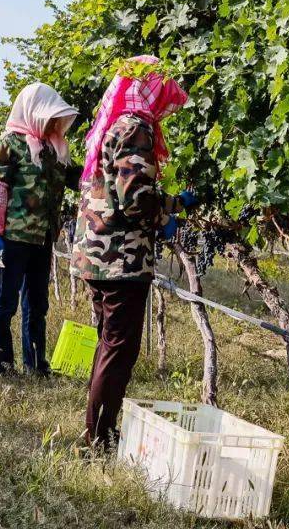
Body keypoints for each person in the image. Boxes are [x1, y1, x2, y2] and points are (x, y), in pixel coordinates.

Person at [71, 56, 197, 449]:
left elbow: (121, 187)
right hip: (120, 260)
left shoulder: (113, 126)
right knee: (118, 347)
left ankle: (98, 431)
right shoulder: (136, 127)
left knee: (108, 342)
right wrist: (165, 217)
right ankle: (100, 438)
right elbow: (135, 198)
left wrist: (175, 203)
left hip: (98, 256)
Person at [0, 82, 81, 376]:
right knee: (5, 302)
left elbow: (77, 178)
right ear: (33, 112)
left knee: (37, 304)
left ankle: (36, 364)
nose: (53, 122)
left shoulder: (55, 150)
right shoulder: (8, 145)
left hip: (43, 238)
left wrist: (102, 168)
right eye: (49, 116)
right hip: (12, 238)